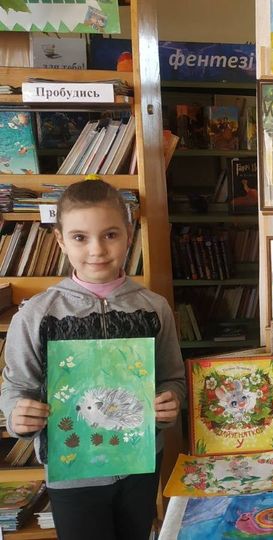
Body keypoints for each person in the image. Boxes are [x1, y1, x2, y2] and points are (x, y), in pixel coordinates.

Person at [0, 179, 186, 540]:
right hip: (73, 472)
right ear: (60, 240)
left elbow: (172, 378)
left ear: (129, 235)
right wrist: (17, 415)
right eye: (80, 237)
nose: (97, 249)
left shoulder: (154, 307)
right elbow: (16, 387)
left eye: (110, 235)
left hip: (140, 463)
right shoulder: (37, 314)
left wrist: (170, 400)